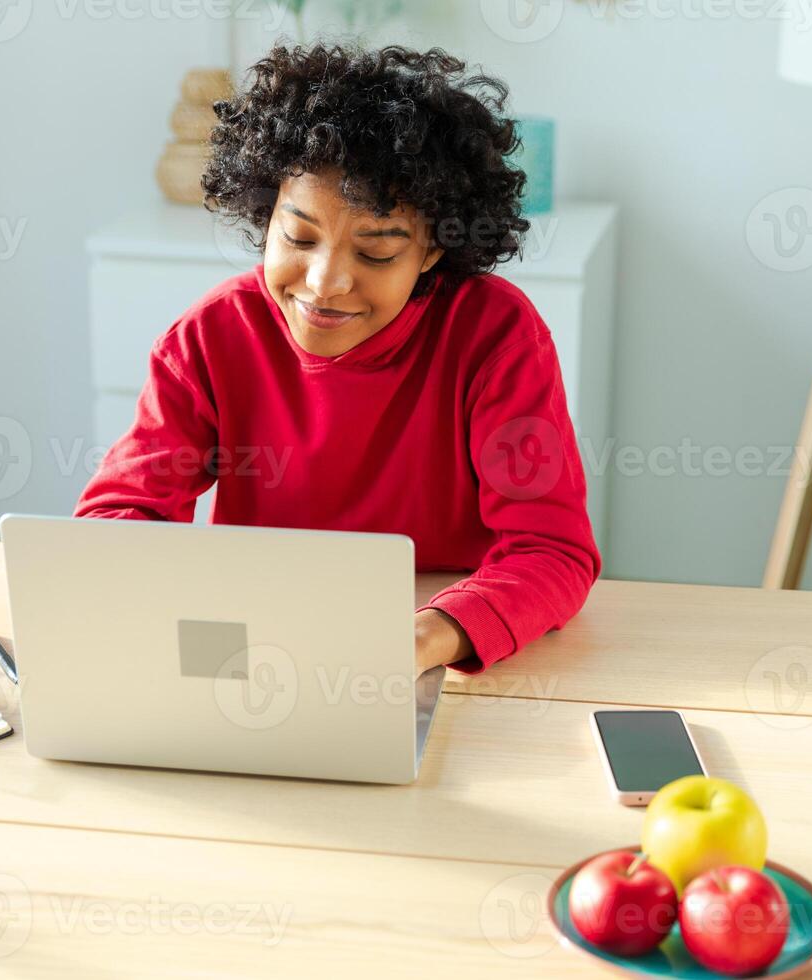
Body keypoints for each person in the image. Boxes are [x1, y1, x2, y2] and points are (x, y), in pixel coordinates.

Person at [76, 43, 600, 676]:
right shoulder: (211, 336)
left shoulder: (496, 335)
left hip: (436, 650)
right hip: (255, 650)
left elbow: (552, 552)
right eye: (298, 238)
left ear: (432, 251)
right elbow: (116, 518)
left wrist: (428, 637)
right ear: (263, 215)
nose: (324, 284)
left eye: (376, 253)